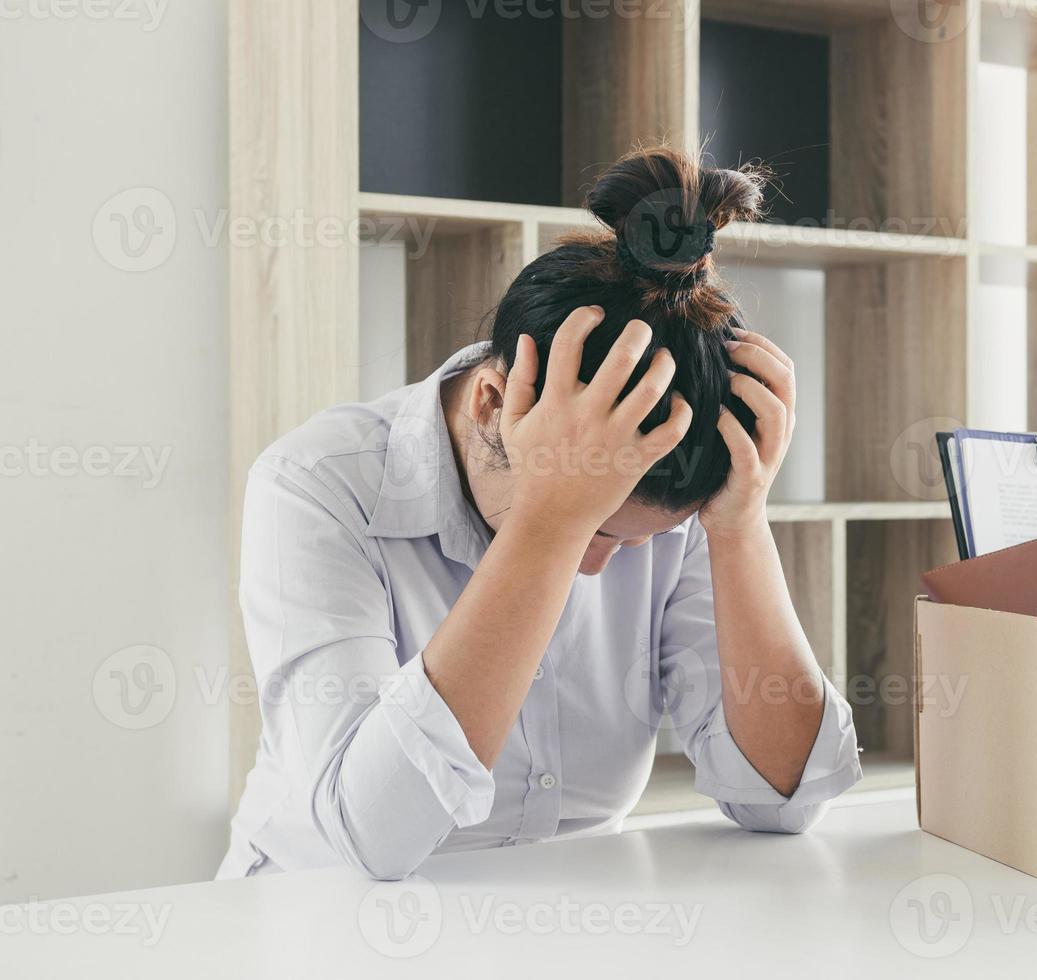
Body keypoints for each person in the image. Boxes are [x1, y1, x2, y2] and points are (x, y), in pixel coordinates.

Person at [217, 147, 862, 880]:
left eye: (628, 539)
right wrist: (551, 523)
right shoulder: (316, 485)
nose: (597, 565)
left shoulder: (668, 502)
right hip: (317, 919)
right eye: (596, 531)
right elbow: (372, 836)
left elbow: (782, 799)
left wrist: (740, 527)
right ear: (495, 406)